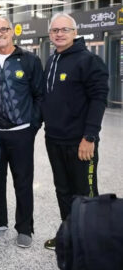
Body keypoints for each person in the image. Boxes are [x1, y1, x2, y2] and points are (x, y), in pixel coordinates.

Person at [41, 13, 108, 250]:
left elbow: (99, 99)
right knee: (63, 190)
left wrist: (90, 137)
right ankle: (69, 234)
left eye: (64, 30)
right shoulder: (51, 61)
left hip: (80, 141)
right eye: (55, 30)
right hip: (55, 139)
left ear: (75, 32)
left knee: (86, 193)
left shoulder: (89, 61)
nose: (59, 34)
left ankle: (91, 241)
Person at [0, 16, 44, 248]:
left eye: (3, 29)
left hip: (21, 132)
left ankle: (25, 227)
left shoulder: (29, 60)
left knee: (23, 182)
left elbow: (39, 95)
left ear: (12, 31)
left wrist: (32, 126)